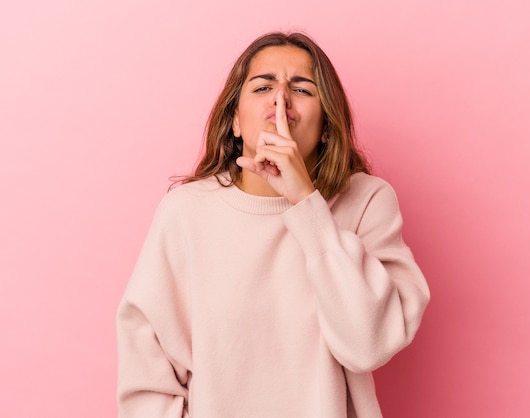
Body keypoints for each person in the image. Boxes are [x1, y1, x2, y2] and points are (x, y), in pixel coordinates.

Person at [116, 31, 430, 418]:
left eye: (302, 89)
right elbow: (148, 370)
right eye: (263, 86)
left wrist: (306, 204)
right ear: (234, 120)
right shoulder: (186, 212)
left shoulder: (367, 202)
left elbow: (369, 345)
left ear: (327, 126)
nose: (280, 99)